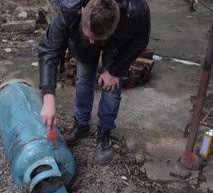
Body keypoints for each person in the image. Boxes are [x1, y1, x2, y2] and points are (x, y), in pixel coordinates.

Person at [38, 0, 150, 164]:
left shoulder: (136, 10)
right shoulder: (71, 6)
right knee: (83, 77)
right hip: (82, 36)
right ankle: (81, 125)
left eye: (96, 38)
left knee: (112, 86)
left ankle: (104, 132)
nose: (92, 42)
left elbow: (140, 41)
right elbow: (49, 48)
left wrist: (114, 70)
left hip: (116, 43)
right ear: (82, 11)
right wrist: (48, 98)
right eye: (90, 35)